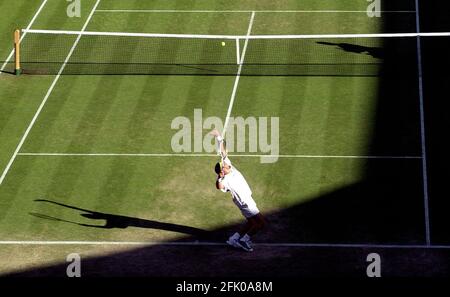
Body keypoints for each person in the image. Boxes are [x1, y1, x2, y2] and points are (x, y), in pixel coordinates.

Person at [210, 129, 266, 252]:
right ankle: (244, 240)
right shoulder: (225, 179)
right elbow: (219, 187)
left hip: (245, 200)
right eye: (223, 166)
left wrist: (219, 137)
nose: (225, 163)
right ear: (222, 171)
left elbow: (223, 153)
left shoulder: (228, 165)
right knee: (261, 223)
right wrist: (219, 177)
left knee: (251, 222)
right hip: (245, 202)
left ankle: (234, 238)